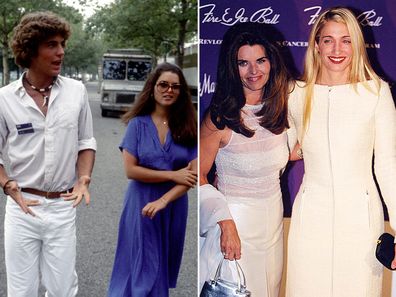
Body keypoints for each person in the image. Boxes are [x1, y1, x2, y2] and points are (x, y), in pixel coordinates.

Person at [286, 7, 396, 297]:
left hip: (361, 216)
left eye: (346, 40)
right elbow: (281, 150)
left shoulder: (376, 92)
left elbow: (388, 164)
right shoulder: (295, 93)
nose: (337, 49)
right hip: (310, 215)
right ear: (316, 45)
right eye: (328, 40)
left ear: (357, 45)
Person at [0, 11, 96, 297]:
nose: (61, 52)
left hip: (61, 207)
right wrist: (7, 183)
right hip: (21, 209)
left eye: (62, 44)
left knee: (62, 289)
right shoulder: (4, 98)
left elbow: (86, 141)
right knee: (22, 290)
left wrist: (83, 179)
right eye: (51, 45)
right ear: (30, 50)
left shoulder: (76, 92)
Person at [199, 23, 293, 296]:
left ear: (271, 61)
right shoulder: (219, 119)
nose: (254, 71)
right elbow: (200, 177)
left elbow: (295, 150)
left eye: (261, 60)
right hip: (235, 226)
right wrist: (225, 223)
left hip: (273, 224)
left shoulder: (283, 108)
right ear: (232, 66)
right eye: (243, 63)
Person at [107, 62, 197, 297]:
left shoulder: (189, 127)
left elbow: (191, 176)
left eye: (175, 87)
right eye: (163, 85)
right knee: (138, 261)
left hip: (173, 205)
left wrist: (165, 200)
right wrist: (172, 174)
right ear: (153, 87)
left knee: (160, 265)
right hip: (141, 203)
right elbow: (131, 171)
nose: (169, 90)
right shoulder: (137, 124)